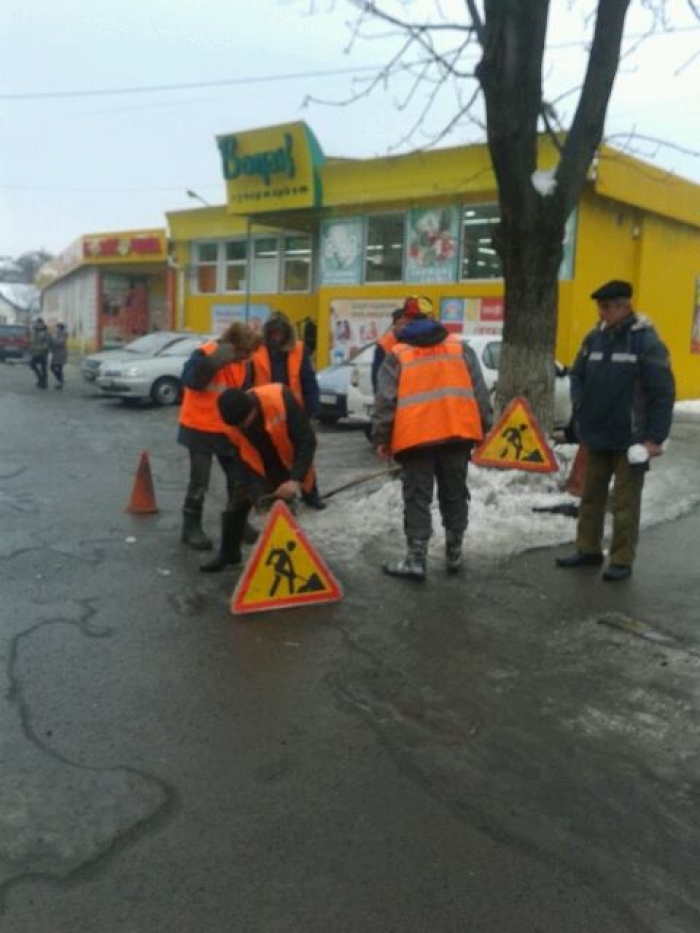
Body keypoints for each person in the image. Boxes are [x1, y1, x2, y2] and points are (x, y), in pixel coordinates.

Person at [555, 279, 675, 582]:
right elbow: (577, 375)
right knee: (591, 497)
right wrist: (581, 407)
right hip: (597, 434)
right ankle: (588, 549)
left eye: (607, 307)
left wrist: (654, 439)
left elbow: (662, 393)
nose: (601, 312)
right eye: (599, 306)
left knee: (624, 503)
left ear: (625, 306)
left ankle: (621, 558)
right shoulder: (593, 338)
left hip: (631, 440)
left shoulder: (646, 342)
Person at [372, 305, 492, 581]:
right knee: (454, 492)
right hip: (457, 435)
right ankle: (454, 553)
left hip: (415, 440)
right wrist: (482, 427)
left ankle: (416, 559)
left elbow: (386, 401)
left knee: (417, 497)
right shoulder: (459, 349)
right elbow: (480, 393)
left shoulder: (399, 354)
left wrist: (382, 437)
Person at [200, 383, 317, 573]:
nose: (240, 428)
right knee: (236, 505)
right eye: (236, 426)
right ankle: (229, 554)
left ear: (252, 410)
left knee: (284, 514)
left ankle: (292, 563)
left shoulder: (280, 399)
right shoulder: (229, 425)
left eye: (242, 424)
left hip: (285, 461)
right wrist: (260, 503)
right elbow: (244, 468)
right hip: (255, 465)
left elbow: (306, 441)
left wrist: (295, 479)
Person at [177, 323, 261, 551]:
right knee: (200, 481)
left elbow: (243, 392)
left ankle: (239, 524)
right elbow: (190, 380)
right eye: (244, 352)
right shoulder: (205, 353)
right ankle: (191, 528)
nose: (247, 357)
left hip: (227, 430)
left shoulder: (242, 364)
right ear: (233, 345)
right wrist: (213, 362)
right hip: (199, 427)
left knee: (237, 480)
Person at [251, 312, 325, 509]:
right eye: (273, 334)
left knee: (303, 454)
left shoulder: (299, 350)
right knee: (271, 456)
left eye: (280, 334)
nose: (276, 338)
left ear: (286, 334)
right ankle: (276, 496)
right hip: (265, 411)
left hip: (294, 410)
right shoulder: (256, 351)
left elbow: (308, 381)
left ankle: (310, 493)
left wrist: (311, 410)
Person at [29, 318, 50, 389]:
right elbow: (34, 342)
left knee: (43, 368)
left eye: (39, 323)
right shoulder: (36, 331)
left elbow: (46, 344)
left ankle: (44, 383)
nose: (38, 325)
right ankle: (41, 379)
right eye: (37, 323)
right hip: (36, 353)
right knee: (32, 364)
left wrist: (41, 348)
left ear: (42, 324)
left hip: (43, 353)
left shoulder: (45, 332)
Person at [49, 322, 68, 389]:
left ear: (60, 328)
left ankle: (60, 382)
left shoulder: (63, 334)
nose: (56, 329)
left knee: (57, 368)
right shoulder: (57, 334)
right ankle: (60, 381)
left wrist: (53, 342)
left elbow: (60, 343)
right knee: (54, 368)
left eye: (57, 328)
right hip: (56, 354)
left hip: (60, 355)